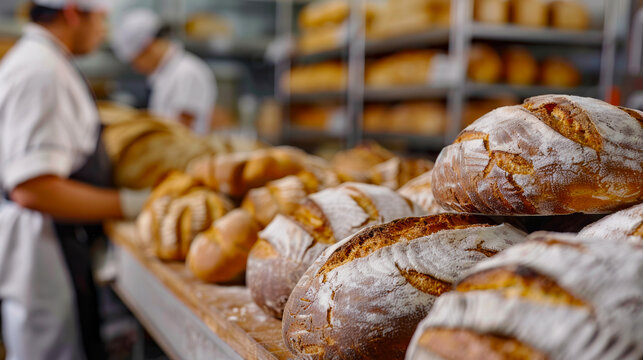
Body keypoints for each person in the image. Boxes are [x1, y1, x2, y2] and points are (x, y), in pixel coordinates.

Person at [0, 1, 149, 359]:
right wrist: (131, 203)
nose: (104, 29)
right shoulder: (42, 71)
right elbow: (33, 188)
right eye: (101, 18)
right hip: (43, 255)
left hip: (49, 248)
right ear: (71, 12)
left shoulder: (40, 61)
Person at [112, 8, 217, 135]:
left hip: (184, 154)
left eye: (135, 61)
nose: (136, 68)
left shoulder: (187, 73)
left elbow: (182, 130)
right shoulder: (164, 75)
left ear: (149, 47)